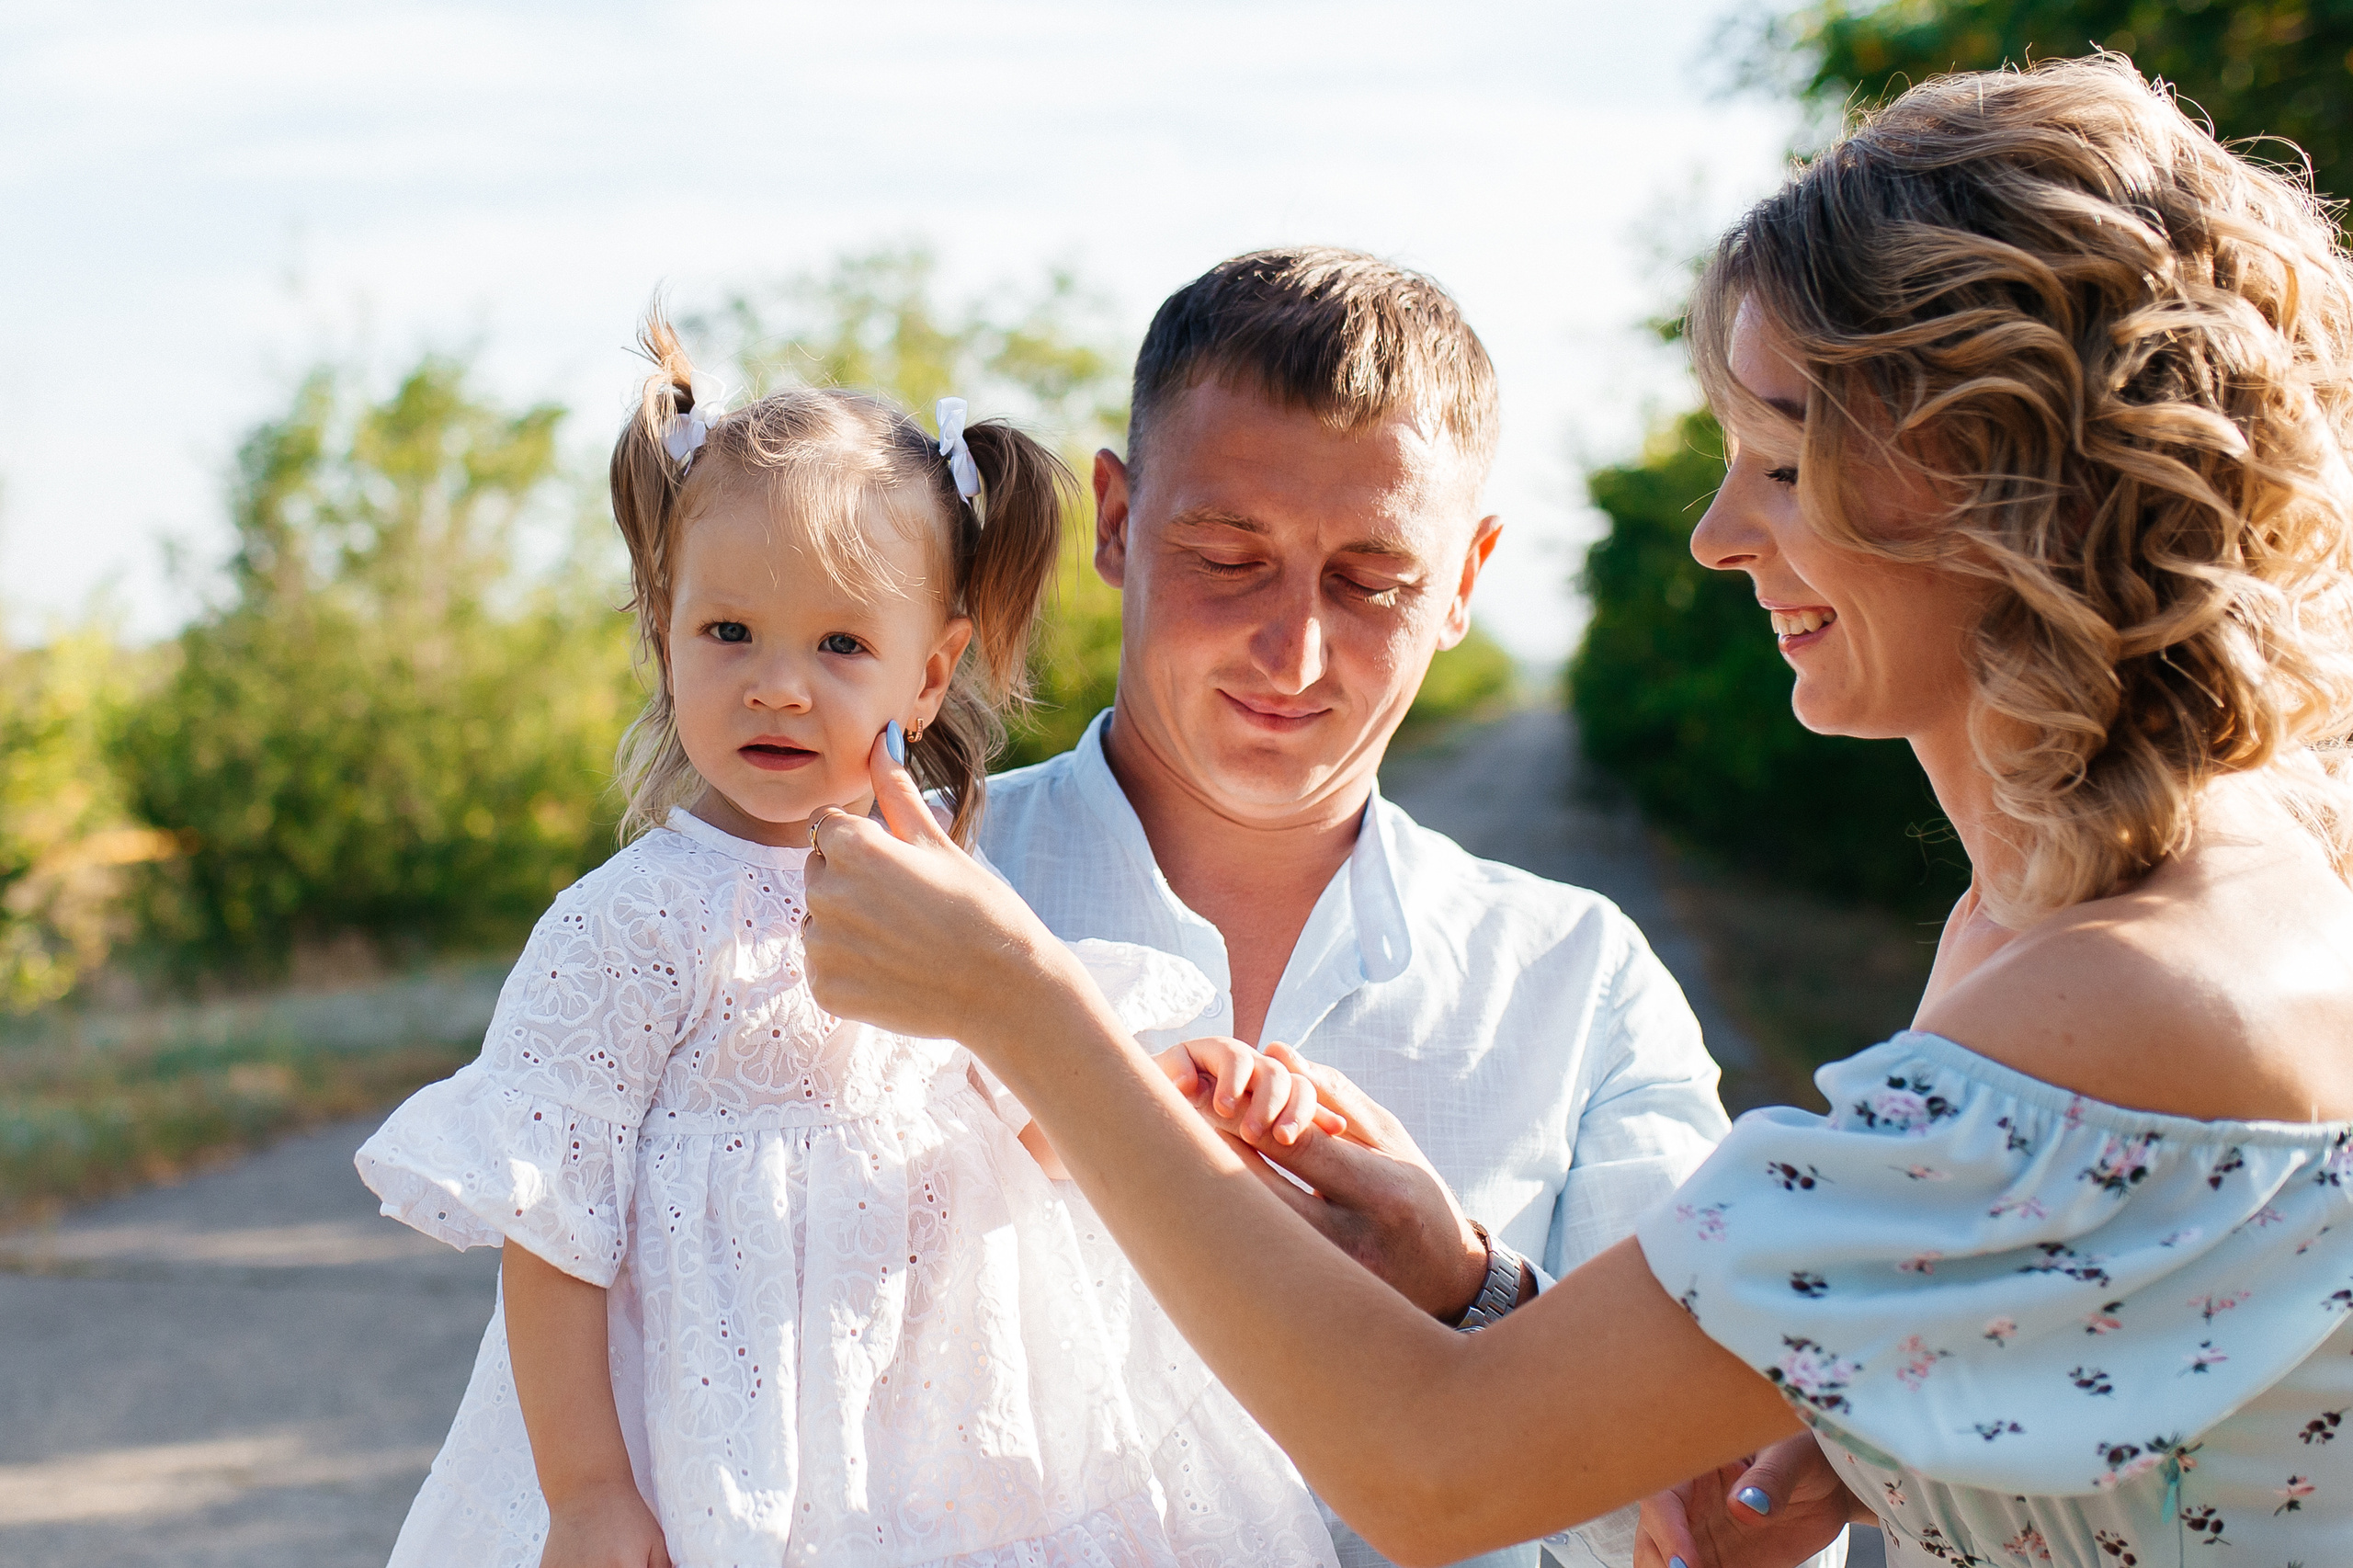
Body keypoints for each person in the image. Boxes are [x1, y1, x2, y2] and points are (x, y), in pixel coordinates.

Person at [795, 55, 2353, 1568]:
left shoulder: (2111, 997)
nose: (1719, 530)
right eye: (1230, 555)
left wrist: (1025, 1005)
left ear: (1997, 486)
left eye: (1785, 463)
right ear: (1121, 523)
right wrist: (1476, 1288)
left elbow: (1441, 1464)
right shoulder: (2056, 928)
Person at [352, 320, 1346, 1568]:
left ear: (926, 676)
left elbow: (1034, 1123)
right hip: (720, 1442)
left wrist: (1164, 1087)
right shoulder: (630, 924)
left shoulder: (940, 886)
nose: (779, 684)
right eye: (729, 634)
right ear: (663, 630)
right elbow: (557, 1229)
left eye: (840, 645)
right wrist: (591, 1488)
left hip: (946, 1440)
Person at [972, 247, 1747, 1568]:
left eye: (1372, 580)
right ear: (1113, 518)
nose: (1295, 651)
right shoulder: (915, 890)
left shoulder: (1580, 985)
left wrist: (1477, 1299)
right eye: (1228, 554)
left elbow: (1725, 1525)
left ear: (1466, 579)